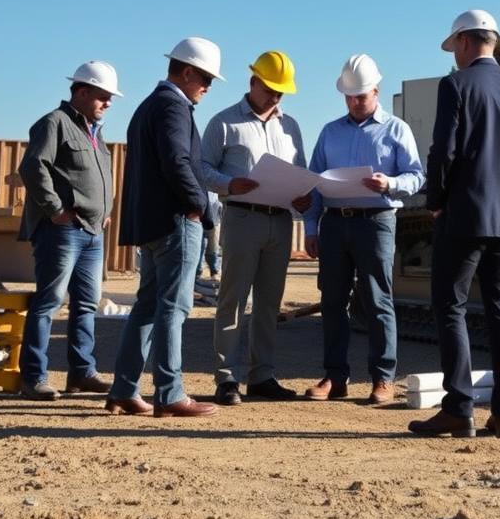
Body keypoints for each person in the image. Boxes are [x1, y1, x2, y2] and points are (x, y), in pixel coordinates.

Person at [408, 11, 500, 440]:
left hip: (465, 215)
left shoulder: (456, 85)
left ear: (465, 42)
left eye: (455, 48)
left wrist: (436, 201)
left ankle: (458, 408)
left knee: (451, 306)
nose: (456, 56)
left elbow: (443, 150)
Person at [106, 37, 224, 418]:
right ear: (186, 71)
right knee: (174, 308)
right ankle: (170, 393)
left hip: (153, 225)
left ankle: (125, 389)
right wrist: (201, 207)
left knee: (146, 307)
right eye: (205, 77)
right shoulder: (174, 108)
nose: (208, 86)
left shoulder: (148, 106)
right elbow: (178, 163)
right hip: (177, 223)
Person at [303, 54, 424, 405]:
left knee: (377, 299)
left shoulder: (397, 129)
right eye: (350, 97)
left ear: (376, 91)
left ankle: (382, 378)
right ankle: (335, 377)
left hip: (377, 222)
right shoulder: (329, 132)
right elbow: (314, 183)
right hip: (335, 223)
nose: (355, 103)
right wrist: (311, 226)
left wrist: (390, 183)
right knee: (333, 300)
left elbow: (416, 176)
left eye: (361, 96)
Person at [201, 50, 310, 406]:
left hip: (279, 222)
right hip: (242, 218)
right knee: (232, 300)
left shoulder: (290, 126)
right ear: (253, 82)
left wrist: (302, 197)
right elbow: (201, 169)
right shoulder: (223, 123)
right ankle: (227, 378)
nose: (276, 97)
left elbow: (301, 171)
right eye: (270, 89)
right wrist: (230, 184)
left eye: (281, 92)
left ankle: (261, 376)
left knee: (268, 303)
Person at [16, 61, 122, 400]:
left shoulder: (95, 132)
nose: (108, 103)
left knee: (86, 304)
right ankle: (34, 377)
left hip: (92, 231)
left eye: (110, 97)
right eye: (102, 96)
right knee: (49, 302)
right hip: (62, 231)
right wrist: (55, 210)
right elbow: (33, 167)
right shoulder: (54, 124)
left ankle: (81, 373)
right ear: (81, 91)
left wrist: (103, 211)